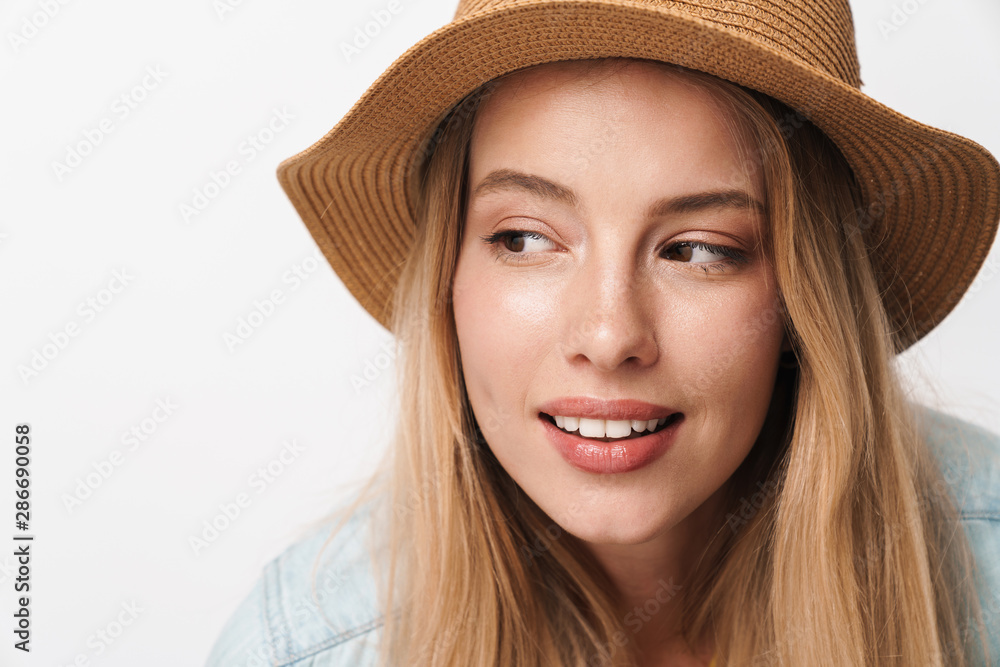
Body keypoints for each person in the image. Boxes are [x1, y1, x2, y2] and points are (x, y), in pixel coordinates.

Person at [206, 0, 1000, 665]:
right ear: (447, 277)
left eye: (698, 250)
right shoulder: (309, 647)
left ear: (804, 301)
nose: (610, 333)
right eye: (525, 238)